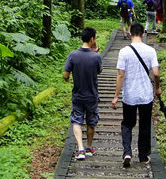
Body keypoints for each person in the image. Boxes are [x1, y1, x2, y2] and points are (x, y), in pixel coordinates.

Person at [111, 22, 160, 167]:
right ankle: (143, 156)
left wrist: (116, 96)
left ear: (130, 34)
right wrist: (157, 88)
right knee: (145, 124)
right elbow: (156, 73)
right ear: (143, 34)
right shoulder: (150, 51)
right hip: (146, 95)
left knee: (127, 123)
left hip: (129, 95)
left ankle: (127, 152)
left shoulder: (124, 52)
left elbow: (120, 75)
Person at [63, 26, 102, 161]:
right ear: (92, 39)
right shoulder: (96, 57)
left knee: (76, 120)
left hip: (78, 94)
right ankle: (89, 148)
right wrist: (95, 52)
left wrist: (68, 78)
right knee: (91, 121)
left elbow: (65, 74)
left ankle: (80, 149)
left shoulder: (73, 55)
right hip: (92, 95)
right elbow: (99, 71)